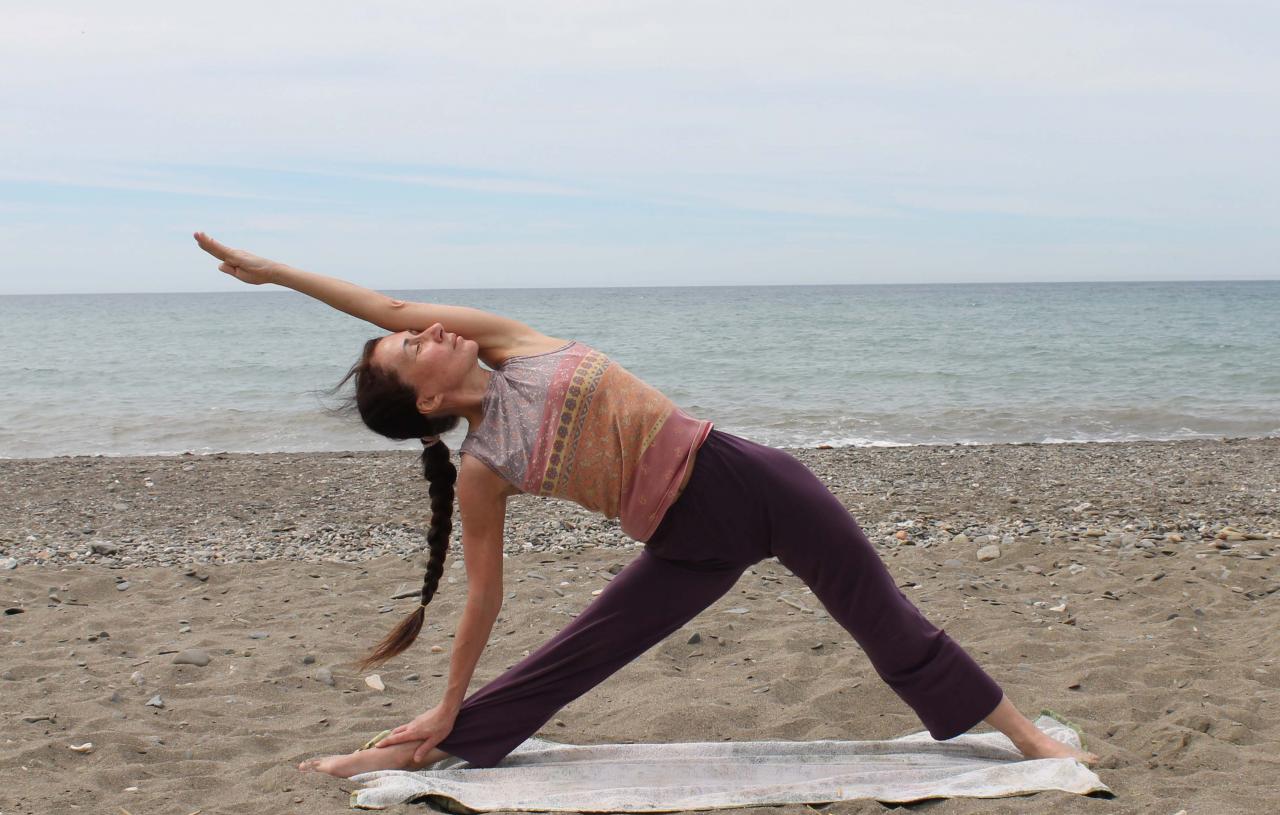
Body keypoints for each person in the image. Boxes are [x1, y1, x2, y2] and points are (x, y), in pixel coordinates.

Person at [193, 231, 1098, 776]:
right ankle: (429, 742)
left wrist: (277, 273)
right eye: (408, 345)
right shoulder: (483, 466)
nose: (423, 326)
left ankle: (1024, 737)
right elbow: (483, 596)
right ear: (427, 400)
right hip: (683, 541)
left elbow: (379, 296)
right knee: (576, 654)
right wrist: (444, 697)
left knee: (881, 616)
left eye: (412, 326)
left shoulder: (511, 343)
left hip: (751, 481)